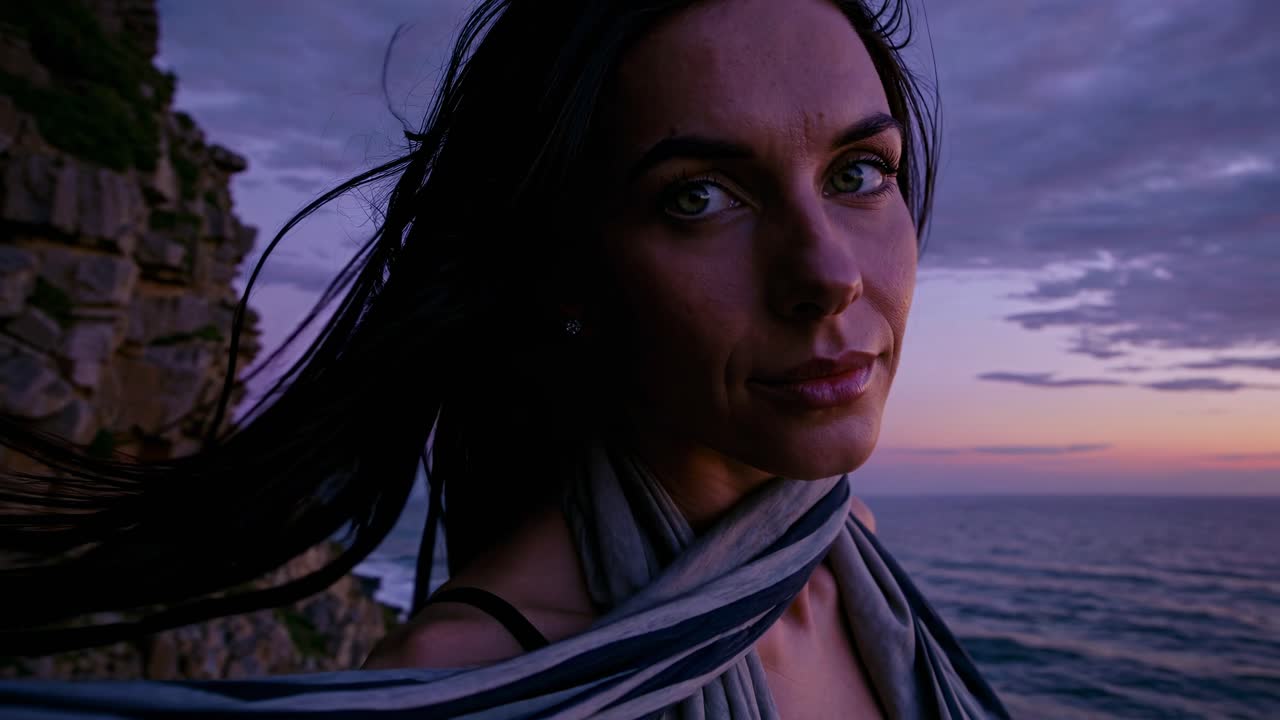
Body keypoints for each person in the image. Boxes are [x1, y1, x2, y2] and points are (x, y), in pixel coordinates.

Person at [0, 0, 1009, 717]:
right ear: (565, 269)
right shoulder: (464, 675)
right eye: (697, 195)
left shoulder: (836, 538)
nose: (825, 274)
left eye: (858, 171)